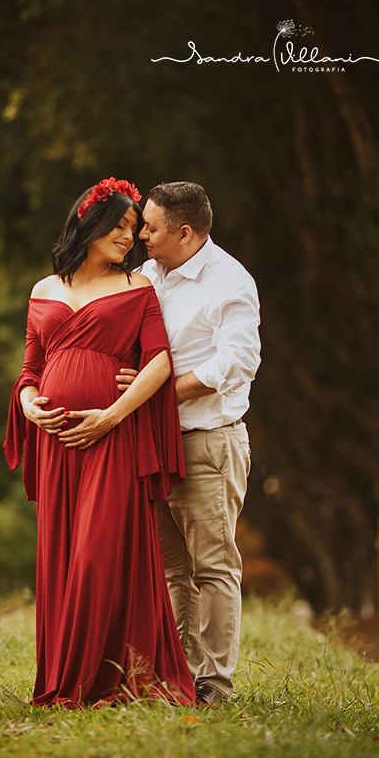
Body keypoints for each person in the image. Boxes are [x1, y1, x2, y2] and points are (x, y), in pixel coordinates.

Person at [4, 177, 196, 707]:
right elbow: (29, 370)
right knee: (66, 559)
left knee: (96, 555)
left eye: (135, 229)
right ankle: (69, 678)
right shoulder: (43, 291)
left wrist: (112, 415)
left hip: (112, 438)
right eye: (120, 224)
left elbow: (159, 360)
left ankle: (104, 679)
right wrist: (27, 405)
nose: (129, 237)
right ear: (88, 222)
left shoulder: (138, 288)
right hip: (58, 443)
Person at [119, 181, 261, 705]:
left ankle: (215, 683)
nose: (141, 235)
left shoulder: (231, 282)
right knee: (173, 570)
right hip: (156, 445)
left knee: (213, 567)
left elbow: (236, 362)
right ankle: (181, 675)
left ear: (184, 232)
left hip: (207, 442)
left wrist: (156, 394)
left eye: (150, 228)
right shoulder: (149, 273)